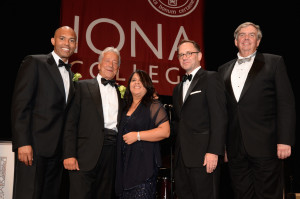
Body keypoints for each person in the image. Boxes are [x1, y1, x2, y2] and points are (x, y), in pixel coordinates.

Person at [217, 22, 296, 199]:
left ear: (258, 41)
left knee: (268, 195)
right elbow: (223, 111)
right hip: (235, 147)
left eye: (251, 35)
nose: (246, 38)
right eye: (242, 35)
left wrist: (285, 140)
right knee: (242, 194)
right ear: (235, 41)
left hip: (266, 145)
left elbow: (286, 103)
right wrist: (223, 145)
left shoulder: (274, 62)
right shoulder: (223, 70)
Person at [11, 26, 77, 199]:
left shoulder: (70, 74)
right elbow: (21, 104)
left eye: (71, 40)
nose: (67, 44)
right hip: (33, 149)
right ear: (53, 41)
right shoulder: (35, 62)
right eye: (62, 38)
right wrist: (23, 143)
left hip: (56, 154)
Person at [63, 47, 123, 199]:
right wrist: (69, 154)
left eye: (115, 62)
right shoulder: (82, 87)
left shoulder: (122, 93)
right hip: (84, 155)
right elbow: (71, 123)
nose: (111, 64)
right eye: (107, 60)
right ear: (99, 64)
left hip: (111, 154)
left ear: (118, 68)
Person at [172, 39, 227, 199]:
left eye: (189, 53)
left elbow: (219, 117)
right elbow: (179, 122)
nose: (185, 57)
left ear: (200, 56)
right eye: (181, 54)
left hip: (204, 156)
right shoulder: (177, 88)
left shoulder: (211, 78)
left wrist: (214, 151)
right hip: (181, 158)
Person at [115, 69, 170, 198]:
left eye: (141, 80)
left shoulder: (153, 105)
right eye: (134, 80)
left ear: (147, 85)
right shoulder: (124, 106)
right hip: (123, 167)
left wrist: (138, 135)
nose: (137, 83)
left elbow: (165, 131)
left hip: (142, 168)